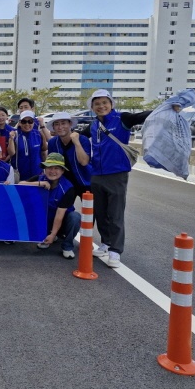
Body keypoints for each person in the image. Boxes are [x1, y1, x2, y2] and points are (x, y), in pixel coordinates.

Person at [79, 89, 153, 268]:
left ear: (111, 104)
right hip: (96, 174)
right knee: (101, 212)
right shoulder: (94, 125)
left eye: (105, 102)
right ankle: (105, 243)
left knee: (116, 213)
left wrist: (168, 107)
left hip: (117, 174)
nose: (101, 106)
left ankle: (115, 250)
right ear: (92, 107)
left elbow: (144, 115)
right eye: (97, 104)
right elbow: (80, 135)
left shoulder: (123, 119)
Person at [19, 152, 81, 259]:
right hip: (43, 220)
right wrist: (38, 184)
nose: (52, 171)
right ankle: (45, 237)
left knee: (75, 217)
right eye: (49, 167)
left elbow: (59, 214)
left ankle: (67, 245)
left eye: (56, 168)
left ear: (62, 170)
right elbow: (20, 185)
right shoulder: (40, 178)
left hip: (61, 222)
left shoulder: (68, 188)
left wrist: (53, 233)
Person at [46, 112, 92, 198]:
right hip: (65, 184)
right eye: (57, 124)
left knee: (90, 210)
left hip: (85, 181)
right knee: (64, 210)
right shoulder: (53, 142)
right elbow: (51, 164)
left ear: (70, 124)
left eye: (63, 123)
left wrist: (77, 143)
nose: (60, 127)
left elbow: (84, 162)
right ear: (53, 127)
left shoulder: (83, 139)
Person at [11, 110, 48, 181]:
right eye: (24, 121)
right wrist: (11, 139)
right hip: (21, 176)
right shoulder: (15, 135)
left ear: (34, 122)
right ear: (20, 122)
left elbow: (43, 153)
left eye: (30, 121)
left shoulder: (39, 134)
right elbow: (11, 153)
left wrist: (46, 169)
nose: (27, 124)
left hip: (37, 174)